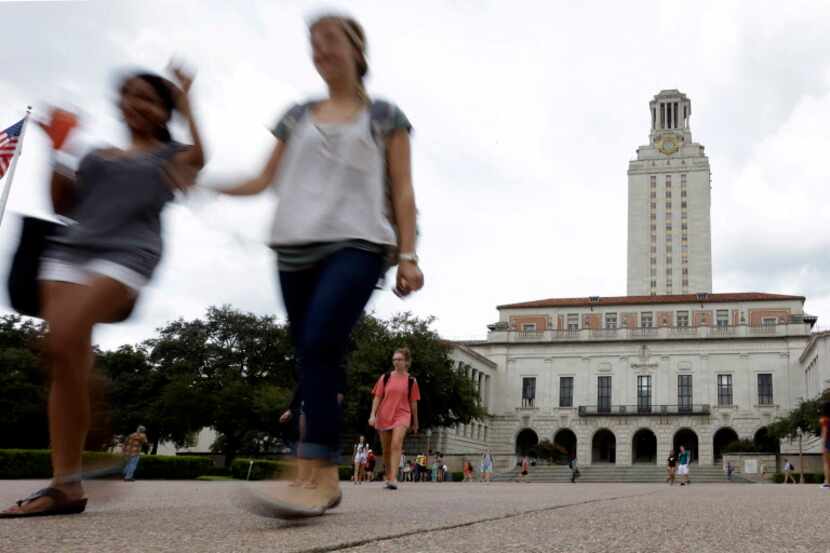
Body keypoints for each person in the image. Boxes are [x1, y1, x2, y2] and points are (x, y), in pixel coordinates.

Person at [213, 14, 422, 518]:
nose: (320, 49)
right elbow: (264, 178)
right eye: (313, 43)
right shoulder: (297, 114)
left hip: (358, 242)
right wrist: (203, 179)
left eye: (330, 39)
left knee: (322, 340)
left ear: (357, 49)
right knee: (312, 356)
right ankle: (314, 472)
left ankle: (318, 473)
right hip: (294, 246)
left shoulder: (386, 116)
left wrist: (409, 256)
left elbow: (402, 189)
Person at [1, 67, 205, 519]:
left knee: (64, 338)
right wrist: (56, 150)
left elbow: (200, 158)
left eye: (149, 98)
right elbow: (63, 203)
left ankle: (98, 430)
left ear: (163, 111)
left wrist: (189, 103)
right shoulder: (97, 156)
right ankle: (65, 486)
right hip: (67, 252)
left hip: (127, 255)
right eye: (129, 95)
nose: (136, 103)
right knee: (64, 357)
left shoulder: (169, 155)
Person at [369, 348, 421, 490]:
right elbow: (378, 397)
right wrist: (372, 414)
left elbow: (413, 403)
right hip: (384, 415)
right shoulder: (385, 377)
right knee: (386, 450)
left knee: (396, 443)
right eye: (394, 359)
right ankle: (389, 475)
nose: (396, 362)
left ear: (406, 362)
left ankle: (394, 478)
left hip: (403, 414)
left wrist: (415, 422)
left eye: (399, 359)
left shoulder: (411, 381)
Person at [819, 397, 830, 490]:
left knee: (826, 463)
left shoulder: (824, 419)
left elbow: (824, 432)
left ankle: (827, 482)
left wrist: (823, 445)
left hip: (828, 442)